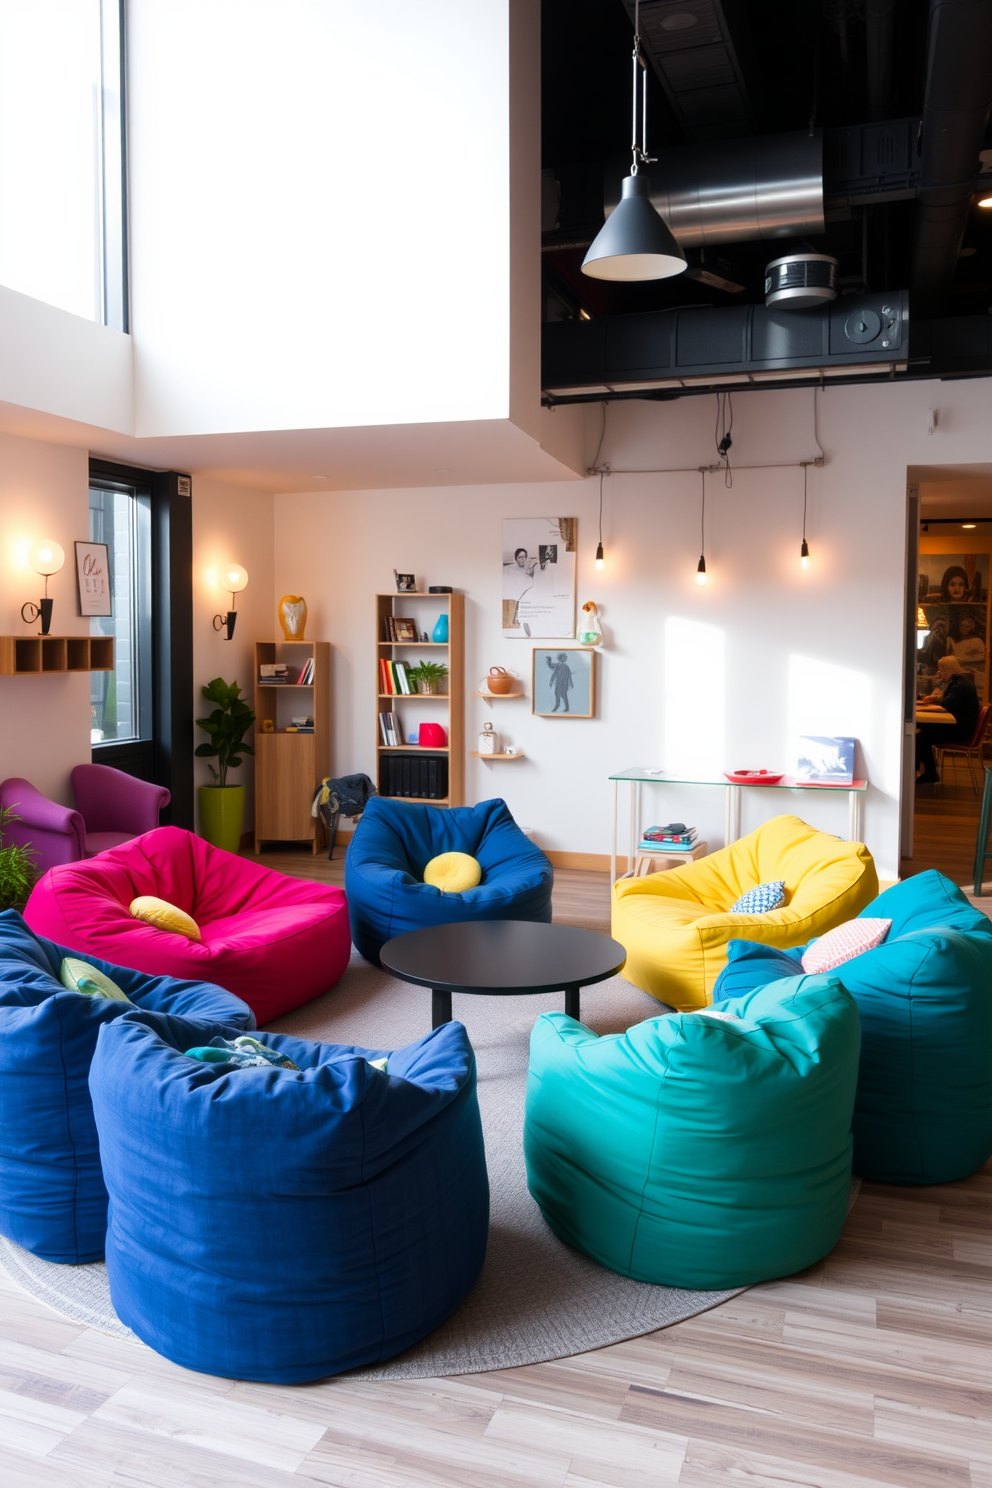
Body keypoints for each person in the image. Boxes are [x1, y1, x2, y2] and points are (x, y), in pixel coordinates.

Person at [916, 655, 980, 782]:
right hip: (960, 726)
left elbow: (944, 707)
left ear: (948, 670)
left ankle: (929, 773)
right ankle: (919, 769)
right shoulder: (959, 682)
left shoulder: (960, 686)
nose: (938, 672)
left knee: (921, 736)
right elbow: (947, 700)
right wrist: (934, 698)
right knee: (921, 729)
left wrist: (917, 710)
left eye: (941, 669)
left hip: (961, 731)